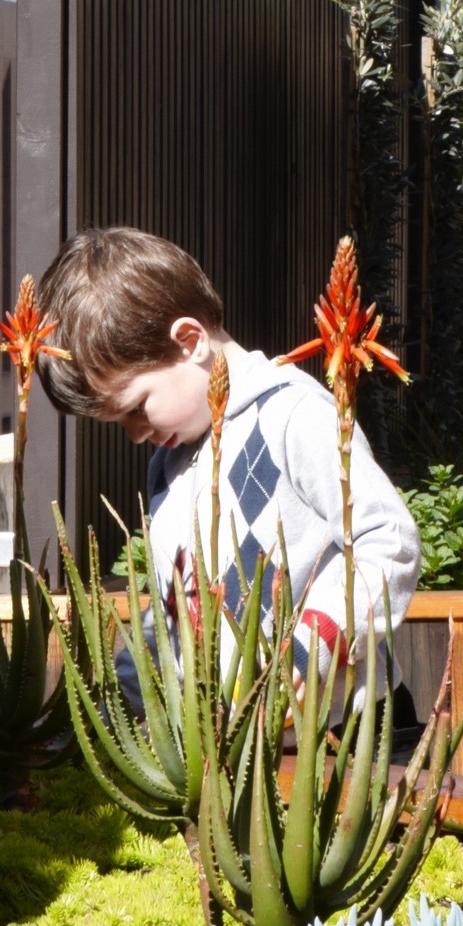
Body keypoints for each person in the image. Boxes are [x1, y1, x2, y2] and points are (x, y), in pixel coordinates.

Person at [38, 226, 420, 670]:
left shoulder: (293, 413)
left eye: (138, 408)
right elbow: (173, 619)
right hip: (224, 734)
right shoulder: (169, 465)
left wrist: (308, 649)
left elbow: (389, 542)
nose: (135, 434)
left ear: (189, 342)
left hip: (333, 727)